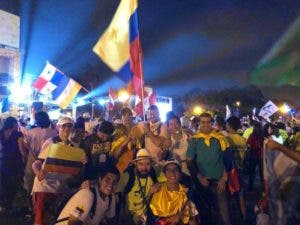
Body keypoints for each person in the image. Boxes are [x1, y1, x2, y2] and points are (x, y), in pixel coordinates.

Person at [32, 116, 86, 225]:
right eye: (63, 126)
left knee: (55, 219)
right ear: (58, 127)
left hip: (61, 189)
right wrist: (38, 173)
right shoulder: (51, 142)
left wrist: (84, 162)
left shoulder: (75, 147)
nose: (66, 129)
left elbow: (77, 170)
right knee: (40, 220)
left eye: (69, 126)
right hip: (45, 187)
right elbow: (36, 163)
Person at [187, 112, 231, 225]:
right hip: (202, 182)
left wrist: (224, 178)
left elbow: (228, 160)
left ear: (212, 123)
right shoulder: (195, 140)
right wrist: (199, 176)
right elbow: (189, 161)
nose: (206, 125)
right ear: (199, 124)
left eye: (208, 122)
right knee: (204, 212)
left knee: (223, 213)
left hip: (218, 182)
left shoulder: (220, 138)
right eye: (203, 122)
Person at [55, 166, 120, 225]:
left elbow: (111, 219)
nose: (111, 185)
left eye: (114, 182)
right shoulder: (87, 195)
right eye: (107, 180)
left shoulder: (110, 198)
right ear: (100, 180)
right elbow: (72, 223)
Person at [116, 148, 164, 225]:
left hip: (146, 213)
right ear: (135, 164)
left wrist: (158, 185)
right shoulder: (128, 176)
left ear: (151, 164)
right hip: (129, 216)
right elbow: (117, 195)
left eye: (147, 164)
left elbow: (169, 181)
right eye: (141, 164)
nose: (144, 168)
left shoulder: (154, 172)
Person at [148, 158, 199, 225]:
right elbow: (152, 219)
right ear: (165, 174)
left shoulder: (187, 193)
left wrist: (180, 216)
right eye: (168, 170)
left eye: (175, 169)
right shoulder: (157, 191)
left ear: (180, 174)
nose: (172, 172)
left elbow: (193, 220)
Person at [0, 117, 26, 214]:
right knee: (14, 182)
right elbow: (22, 150)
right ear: (13, 124)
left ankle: (2, 204)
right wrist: (25, 158)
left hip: (3, 160)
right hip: (15, 162)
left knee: (3, 182)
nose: (17, 125)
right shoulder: (18, 134)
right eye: (16, 123)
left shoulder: (1, 132)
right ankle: (9, 204)